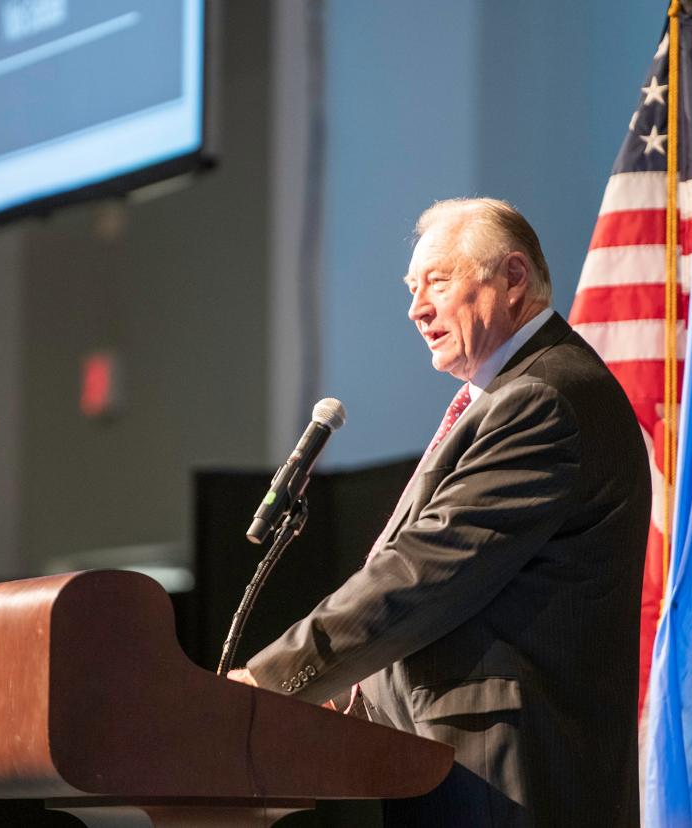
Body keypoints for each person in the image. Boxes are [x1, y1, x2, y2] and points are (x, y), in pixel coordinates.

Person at [228, 198, 650, 826]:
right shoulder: (512, 395)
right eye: (411, 287)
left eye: (438, 282)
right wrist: (354, 685)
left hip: (508, 773)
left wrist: (275, 680)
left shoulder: (542, 398)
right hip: (454, 764)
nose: (416, 307)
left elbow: (425, 570)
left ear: (512, 277)